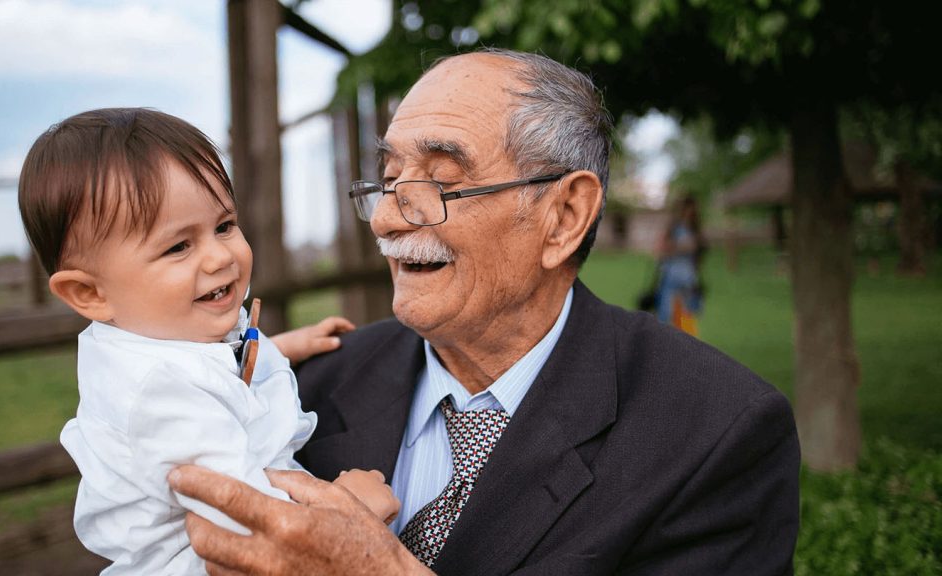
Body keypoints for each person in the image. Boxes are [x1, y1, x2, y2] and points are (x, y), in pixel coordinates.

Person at [169, 48, 800, 575]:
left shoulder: (716, 435)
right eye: (387, 179)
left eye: (440, 182)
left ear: (564, 218)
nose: (388, 217)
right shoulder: (307, 387)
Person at [18, 108, 398, 574]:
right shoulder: (163, 397)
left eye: (224, 226)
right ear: (90, 293)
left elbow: (216, 361)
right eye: (178, 247)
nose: (220, 256)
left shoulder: (161, 330)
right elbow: (247, 521)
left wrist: (278, 346)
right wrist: (351, 506)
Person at [655, 194, 706, 334]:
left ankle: (687, 347)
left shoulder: (694, 229)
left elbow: (697, 251)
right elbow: (661, 249)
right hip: (671, 275)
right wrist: (680, 247)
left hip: (688, 277)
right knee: (667, 312)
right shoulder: (673, 229)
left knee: (687, 314)